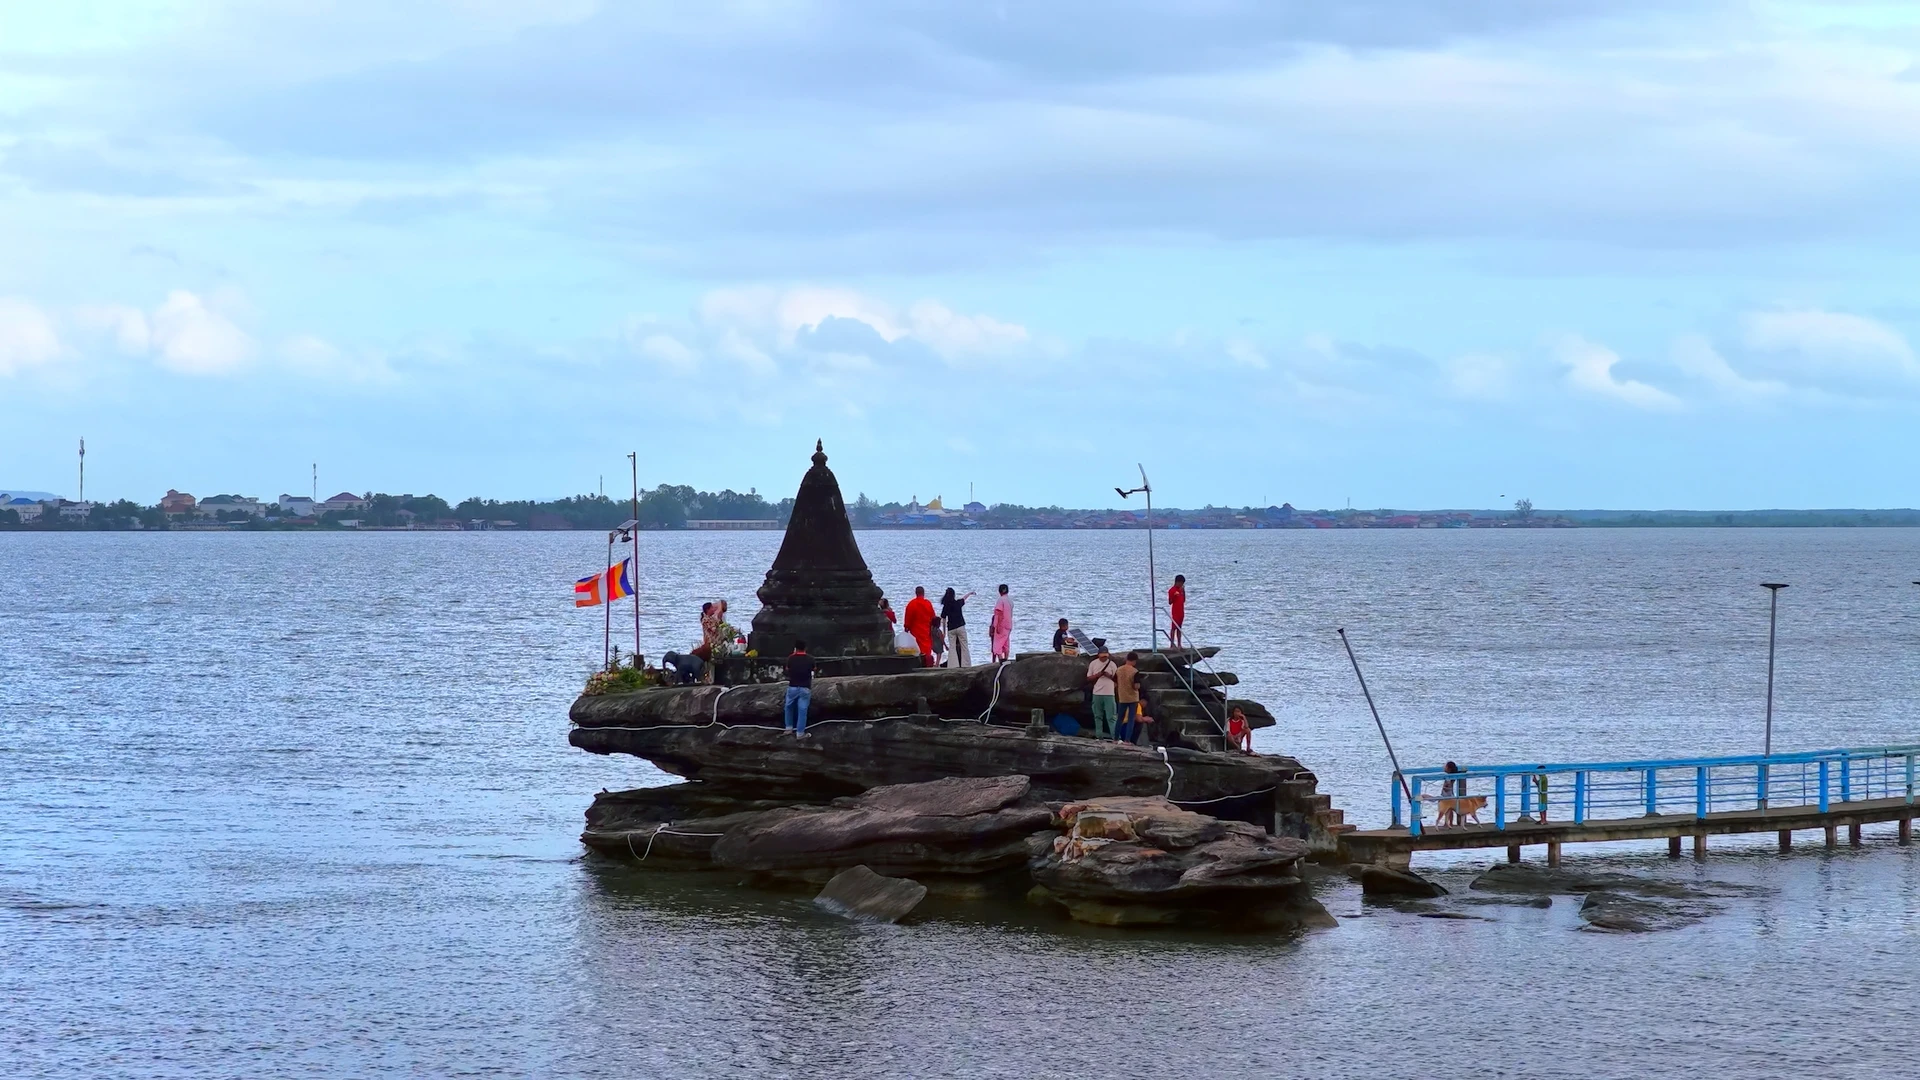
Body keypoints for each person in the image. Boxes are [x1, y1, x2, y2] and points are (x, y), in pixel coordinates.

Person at [1085, 646, 1120, 740]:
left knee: (1111, 717)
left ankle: (1115, 737)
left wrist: (1109, 676)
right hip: (1097, 692)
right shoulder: (1093, 663)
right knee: (1097, 716)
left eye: (1105, 656)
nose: (1104, 658)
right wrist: (1098, 675)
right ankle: (1099, 736)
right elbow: (1088, 678)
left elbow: (1117, 679)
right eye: (1102, 656)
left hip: (1109, 693)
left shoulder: (1112, 664)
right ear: (1098, 655)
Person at [784, 639, 813, 738]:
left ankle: (788, 728)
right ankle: (800, 733)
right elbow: (814, 669)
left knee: (788, 707)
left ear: (795, 648)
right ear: (806, 648)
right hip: (805, 687)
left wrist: (793, 655)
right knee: (802, 710)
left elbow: (787, 669)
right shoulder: (810, 658)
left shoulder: (791, 658)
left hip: (793, 686)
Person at [903, 586, 937, 668]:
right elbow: (933, 617)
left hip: (915, 631)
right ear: (923, 593)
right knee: (927, 648)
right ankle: (928, 664)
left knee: (916, 648)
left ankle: (918, 664)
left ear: (916, 593)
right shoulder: (928, 603)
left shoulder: (911, 604)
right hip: (926, 631)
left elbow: (908, 618)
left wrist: (906, 628)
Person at [940, 588, 974, 667]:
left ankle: (952, 665)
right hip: (960, 626)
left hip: (951, 629)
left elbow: (943, 619)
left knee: (952, 647)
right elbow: (964, 598)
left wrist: (944, 632)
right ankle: (966, 665)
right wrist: (969, 593)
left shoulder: (946, 606)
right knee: (964, 645)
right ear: (954, 595)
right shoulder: (958, 603)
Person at [1114, 651, 1142, 742]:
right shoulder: (1135, 671)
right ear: (1134, 661)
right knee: (1131, 720)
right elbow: (1136, 686)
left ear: (1126, 659)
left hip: (1122, 697)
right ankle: (1127, 741)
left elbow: (1115, 683)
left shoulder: (1118, 670)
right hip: (1133, 698)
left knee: (1119, 719)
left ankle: (1115, 739)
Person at [989, 584, 1012, 662]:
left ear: (999, 591)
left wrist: (995, 625)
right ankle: (1006, 657)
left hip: (1001, 624)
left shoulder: (1000, 600)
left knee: (997, 643)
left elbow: (998, 614)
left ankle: (1001, 659)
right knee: (1006, 642)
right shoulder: (1010, 600)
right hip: (1008, 624)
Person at [1439, 761, 1464, 827]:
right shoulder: (1451, 776)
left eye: (1445, 766)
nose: (1444, 767)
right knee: (1449, 809)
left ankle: (1448, 823)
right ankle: (1449, 823)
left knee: (1447, 809)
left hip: (1447, 794)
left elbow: (1448, 786)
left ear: (1449, 769)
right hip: (1450, 794)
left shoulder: (1448, 777)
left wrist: (1445, 787)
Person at [1167, 574, 1187, 649]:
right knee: (1173, 628)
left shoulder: (1181, 590)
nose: (1182, 585)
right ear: (1177, 582)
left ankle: (1179, 644)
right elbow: (1170, 602)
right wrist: (1175, 596)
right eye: (1181, 583)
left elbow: (1184, 600)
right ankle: (1172, 644)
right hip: (1175, 612)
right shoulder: (1172, 590)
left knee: (1179, 628)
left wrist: (1183, 592)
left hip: (1181, 612)